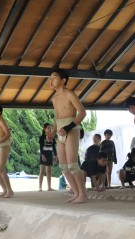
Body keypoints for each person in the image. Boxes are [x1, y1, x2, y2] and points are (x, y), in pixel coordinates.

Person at [50, 68, 88, 204]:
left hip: (71, 128)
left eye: (54, 78)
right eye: (50, 78)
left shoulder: (70, 94)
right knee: (64, 167)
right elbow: (56, 116)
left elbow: (82, 113)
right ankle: (76, 192)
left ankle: (83, 194)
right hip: (60, 130)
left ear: (63, 80)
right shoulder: (54, 98)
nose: (51, 81)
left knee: (72, 164)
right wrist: (53, 132)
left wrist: (69, 127)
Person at [38, 123, 57, 192]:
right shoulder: (42, 137)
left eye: (51, 128)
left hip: (49, 154)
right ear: (44, 129)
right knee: (42, 171)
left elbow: (54, 147)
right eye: (48, 128)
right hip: (43, 154)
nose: (50, 129)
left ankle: (49, 187)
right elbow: (41, 147)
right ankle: (40, 187)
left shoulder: (52, 137)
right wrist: (42, 155)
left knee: (49, 171)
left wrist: (55, 155)